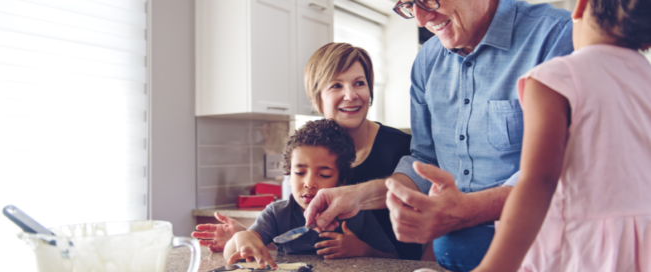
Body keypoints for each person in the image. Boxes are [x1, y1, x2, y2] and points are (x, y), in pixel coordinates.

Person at [303, 0, 574, 271]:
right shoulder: (427, 61)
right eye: (408, 5)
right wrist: (355, 196)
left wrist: (466, 210)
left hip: (537, 256)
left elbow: (561, 171)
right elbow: (425, 162)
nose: (420, 19)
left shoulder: (555, 35)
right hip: (450, 262)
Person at [193, 42, 421, 259]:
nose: (351, 95)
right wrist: (247, 237)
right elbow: (297, 238)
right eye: (336, 85)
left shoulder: (404, 148)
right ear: (317, 97)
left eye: (359, 83)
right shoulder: (306, 153)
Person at [472, 0, 651, 270]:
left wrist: (493, 267)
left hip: (582, 247)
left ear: (580, 7)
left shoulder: (556, 76)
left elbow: (539, 182)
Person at [223, 119, 397, 269]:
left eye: (324, 175)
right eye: (299, 173)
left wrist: (363, 250)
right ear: (289, 176)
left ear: (341, 181)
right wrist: (241, 236)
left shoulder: (358, 214)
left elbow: (394, 261)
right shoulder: (276, 214)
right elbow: (231, 257)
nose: (309, 183)